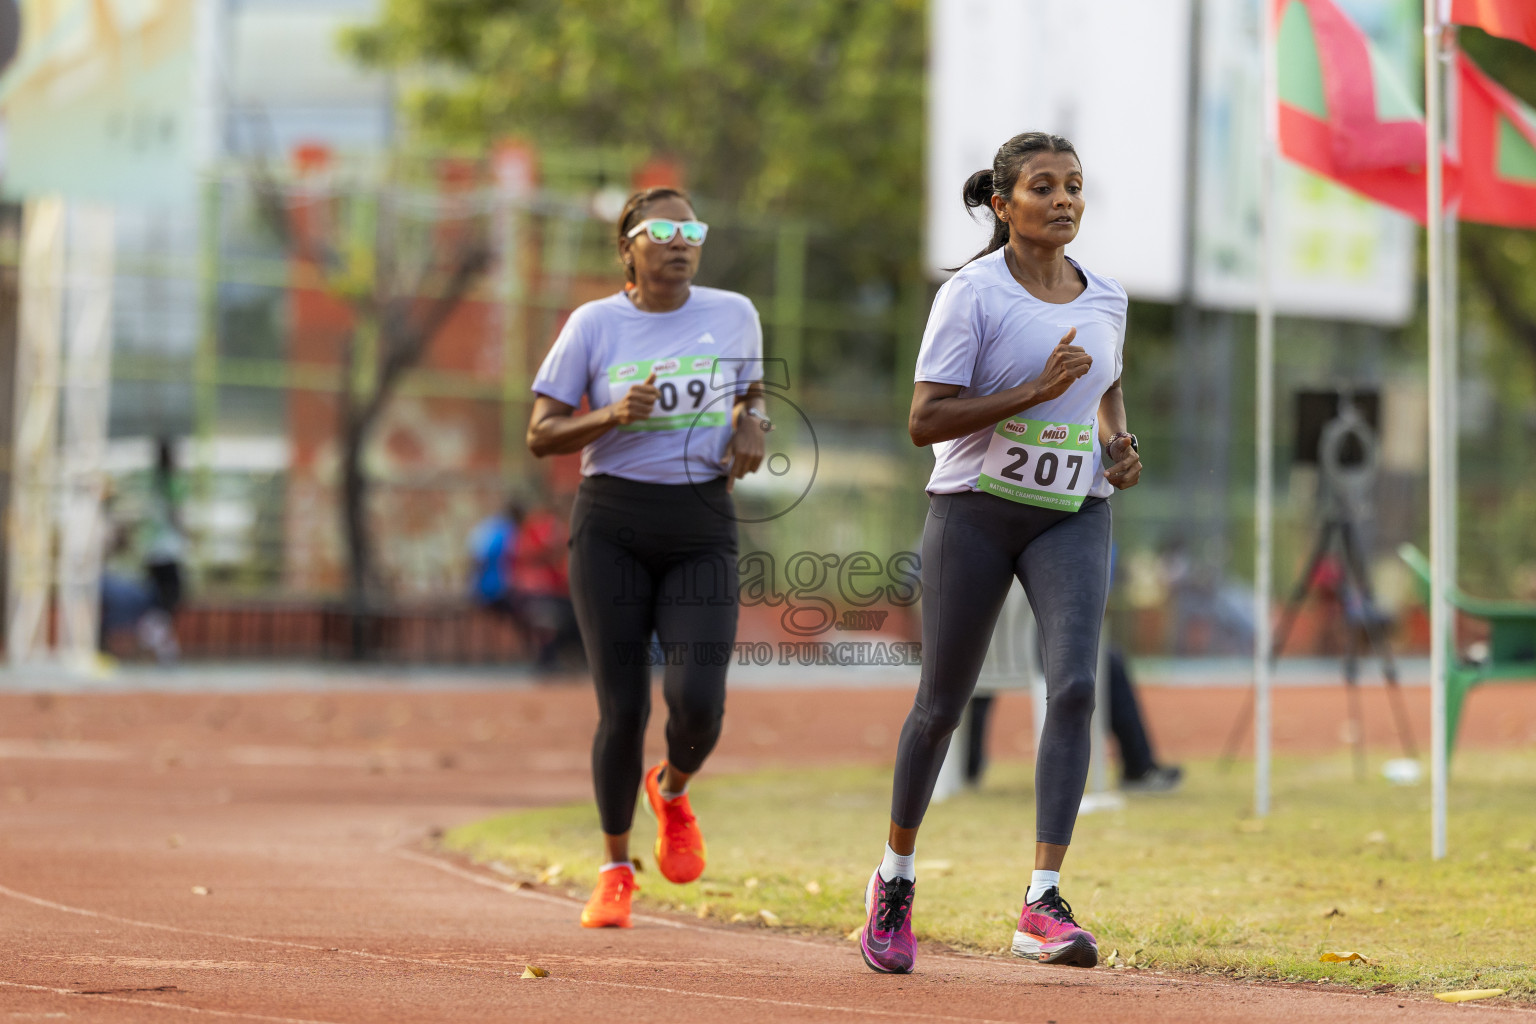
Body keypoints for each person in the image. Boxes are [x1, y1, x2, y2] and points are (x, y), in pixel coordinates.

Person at [860, 132, 1142, 974]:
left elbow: (1108, 390)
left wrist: (1120, 446)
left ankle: (1043, 901)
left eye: (1075, 187)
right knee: (942, 702)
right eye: (1045, 188)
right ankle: (896, 878)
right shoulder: (970, 296)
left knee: (1078, 685)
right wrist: (1030, 392)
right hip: (976, 509)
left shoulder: (1110, 297)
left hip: (1071, 509)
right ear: (1003, 203)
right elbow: (924, 421)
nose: (1064, 201)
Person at [525, 186, 769, 929]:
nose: (680, 241)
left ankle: (672, 789)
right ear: (627, 245)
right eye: (661, 229)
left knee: (699, 701)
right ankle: (613, 870)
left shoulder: (734, 314)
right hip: (613, 523)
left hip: (700, 521)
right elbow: (541, 432)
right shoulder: (595, 324)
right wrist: (609, 414)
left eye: (692, 228)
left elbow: (749, 395)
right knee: (623, 708)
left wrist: (752, 422)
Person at [509, 498, 583, 672]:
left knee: (573, 613)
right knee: (547, 614)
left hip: (555, 592)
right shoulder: (539, 530)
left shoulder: (557, 530)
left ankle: (567, 656)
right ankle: (548, 658)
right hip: (537, 593)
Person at [138, 438, 187, 663]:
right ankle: (153, 635)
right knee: (171, 598)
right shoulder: (170, 483)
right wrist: (185, 533)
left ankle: (160, 642)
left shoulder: (151, 483)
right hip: (167, 549)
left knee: (160, 600)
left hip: (152, 549)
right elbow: (175, 513)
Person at [467, 497, 524, 615]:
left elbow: (476, 556)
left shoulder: (492, 526)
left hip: (487, 586)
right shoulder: (507, 531)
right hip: (497, 587)